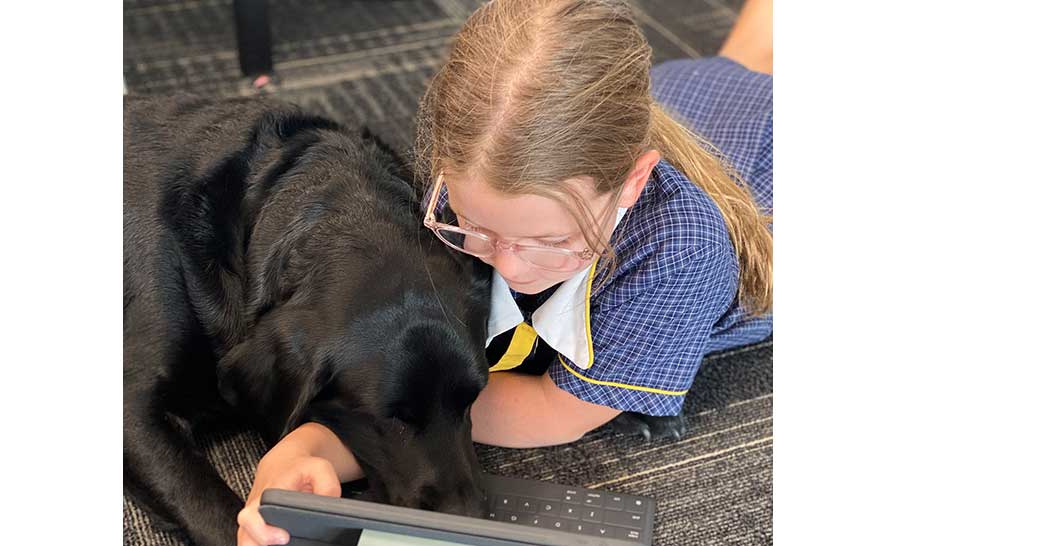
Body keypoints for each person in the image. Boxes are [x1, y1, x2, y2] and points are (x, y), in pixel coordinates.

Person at [237, 0, 773, 544]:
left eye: (551, 241)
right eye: (478, 229)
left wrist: (326, 433)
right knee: (737, 66)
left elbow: (549, 408)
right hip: (693, 90)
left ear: (632, 184)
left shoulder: (682, 251)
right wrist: (304, 451)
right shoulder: (458, 179)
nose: (509, 267)